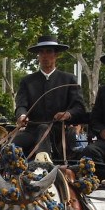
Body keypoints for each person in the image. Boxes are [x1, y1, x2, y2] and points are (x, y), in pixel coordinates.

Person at [13, 35, 85, 163]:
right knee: (11, 146)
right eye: (41, 52)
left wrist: (67, 114)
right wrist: (22, 115)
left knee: (43, 129)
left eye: (49, 52)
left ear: (56, 55)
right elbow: (21, 105)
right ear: (38, 56)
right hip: (32, 130)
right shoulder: (27, 81)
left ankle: (43, 166)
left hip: (58, 131)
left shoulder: (69, 80)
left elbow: (79, 108)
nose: (45, 56)